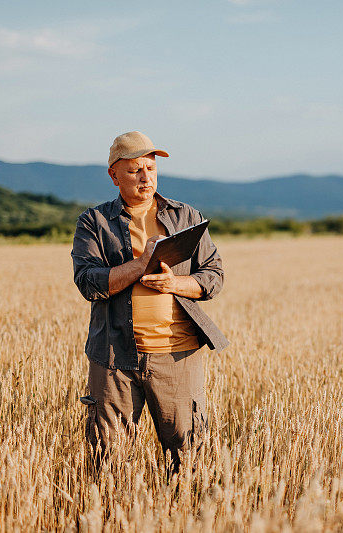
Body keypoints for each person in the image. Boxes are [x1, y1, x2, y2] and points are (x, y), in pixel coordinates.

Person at [71, 130, 229, 475]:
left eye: (151, 168)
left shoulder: (186, 216)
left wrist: (176, 283)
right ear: (114, 176)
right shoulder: (94, 222)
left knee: (189, 459)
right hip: (114, 357)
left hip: (177, 354)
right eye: (134, 171)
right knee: (106, 463)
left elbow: (213, 276)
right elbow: (88, 282)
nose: (146, 178)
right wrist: (139, 265)